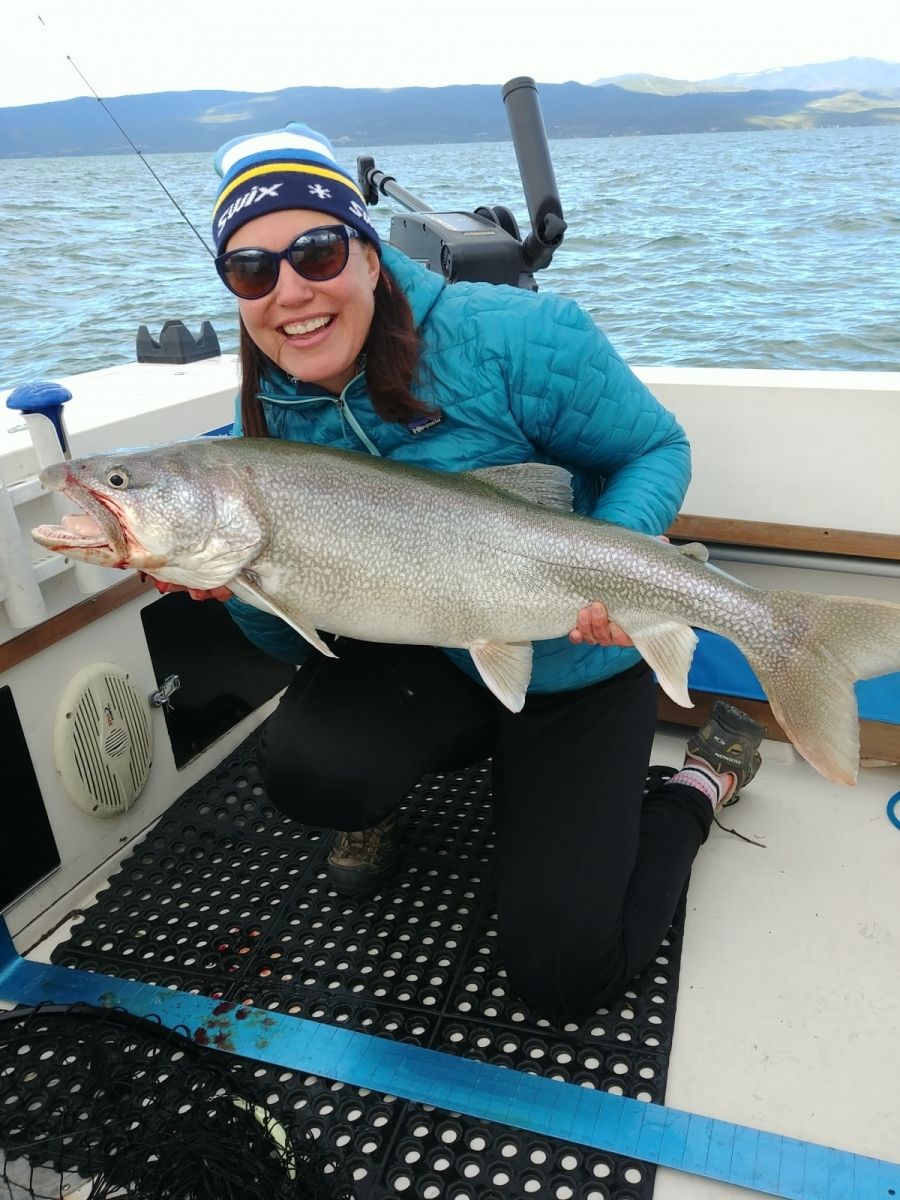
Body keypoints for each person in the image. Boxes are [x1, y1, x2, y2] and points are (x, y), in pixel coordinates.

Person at [165, 122, 766, 1016]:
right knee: (307, 769)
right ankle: (388, 797)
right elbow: (291, 638)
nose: (290, 292)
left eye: (318, 252)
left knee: (564, 974)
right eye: (252, 270)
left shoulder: (517, 335)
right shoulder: (266, 413)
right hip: (428, 646)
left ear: (368, 255)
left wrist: (614, 559)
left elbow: (654, 447)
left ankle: (697, 784)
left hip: (576, 660)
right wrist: (233, 585)